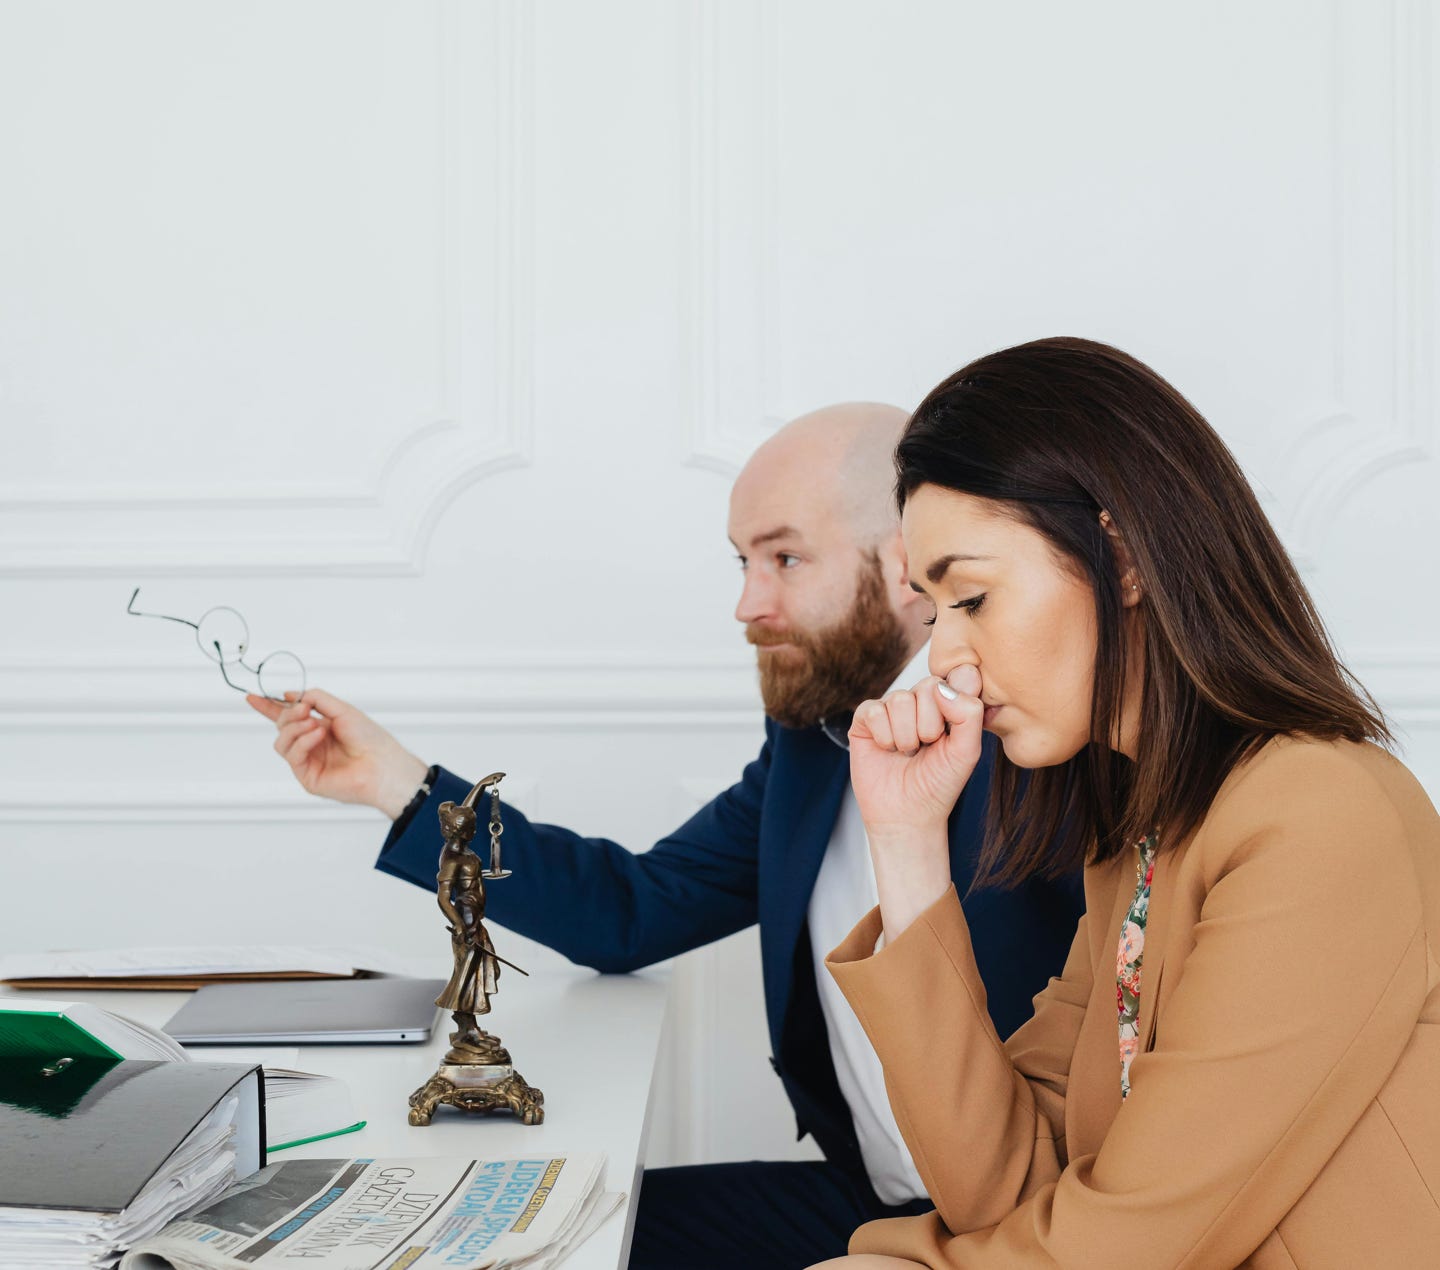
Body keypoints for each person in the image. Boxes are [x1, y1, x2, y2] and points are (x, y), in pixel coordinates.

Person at [247, 403, 1085, 1270]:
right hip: (875, 1204)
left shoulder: (1044, 738)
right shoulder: (812, 748)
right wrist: (399, 784)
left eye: (785, 558)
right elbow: (631, 912)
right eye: (742, 563)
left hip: (1044, 1229)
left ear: (911, 567)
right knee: (532, 1248)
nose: (748, 604)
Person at [808, 339, 1440, 1269]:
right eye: (935, 610)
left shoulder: (1321, 817)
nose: (944, 656)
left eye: (973, 596)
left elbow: (1133, 1242)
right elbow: (999, 1189)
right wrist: (906, 845)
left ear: (1127, 557)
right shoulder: (1143, 840)